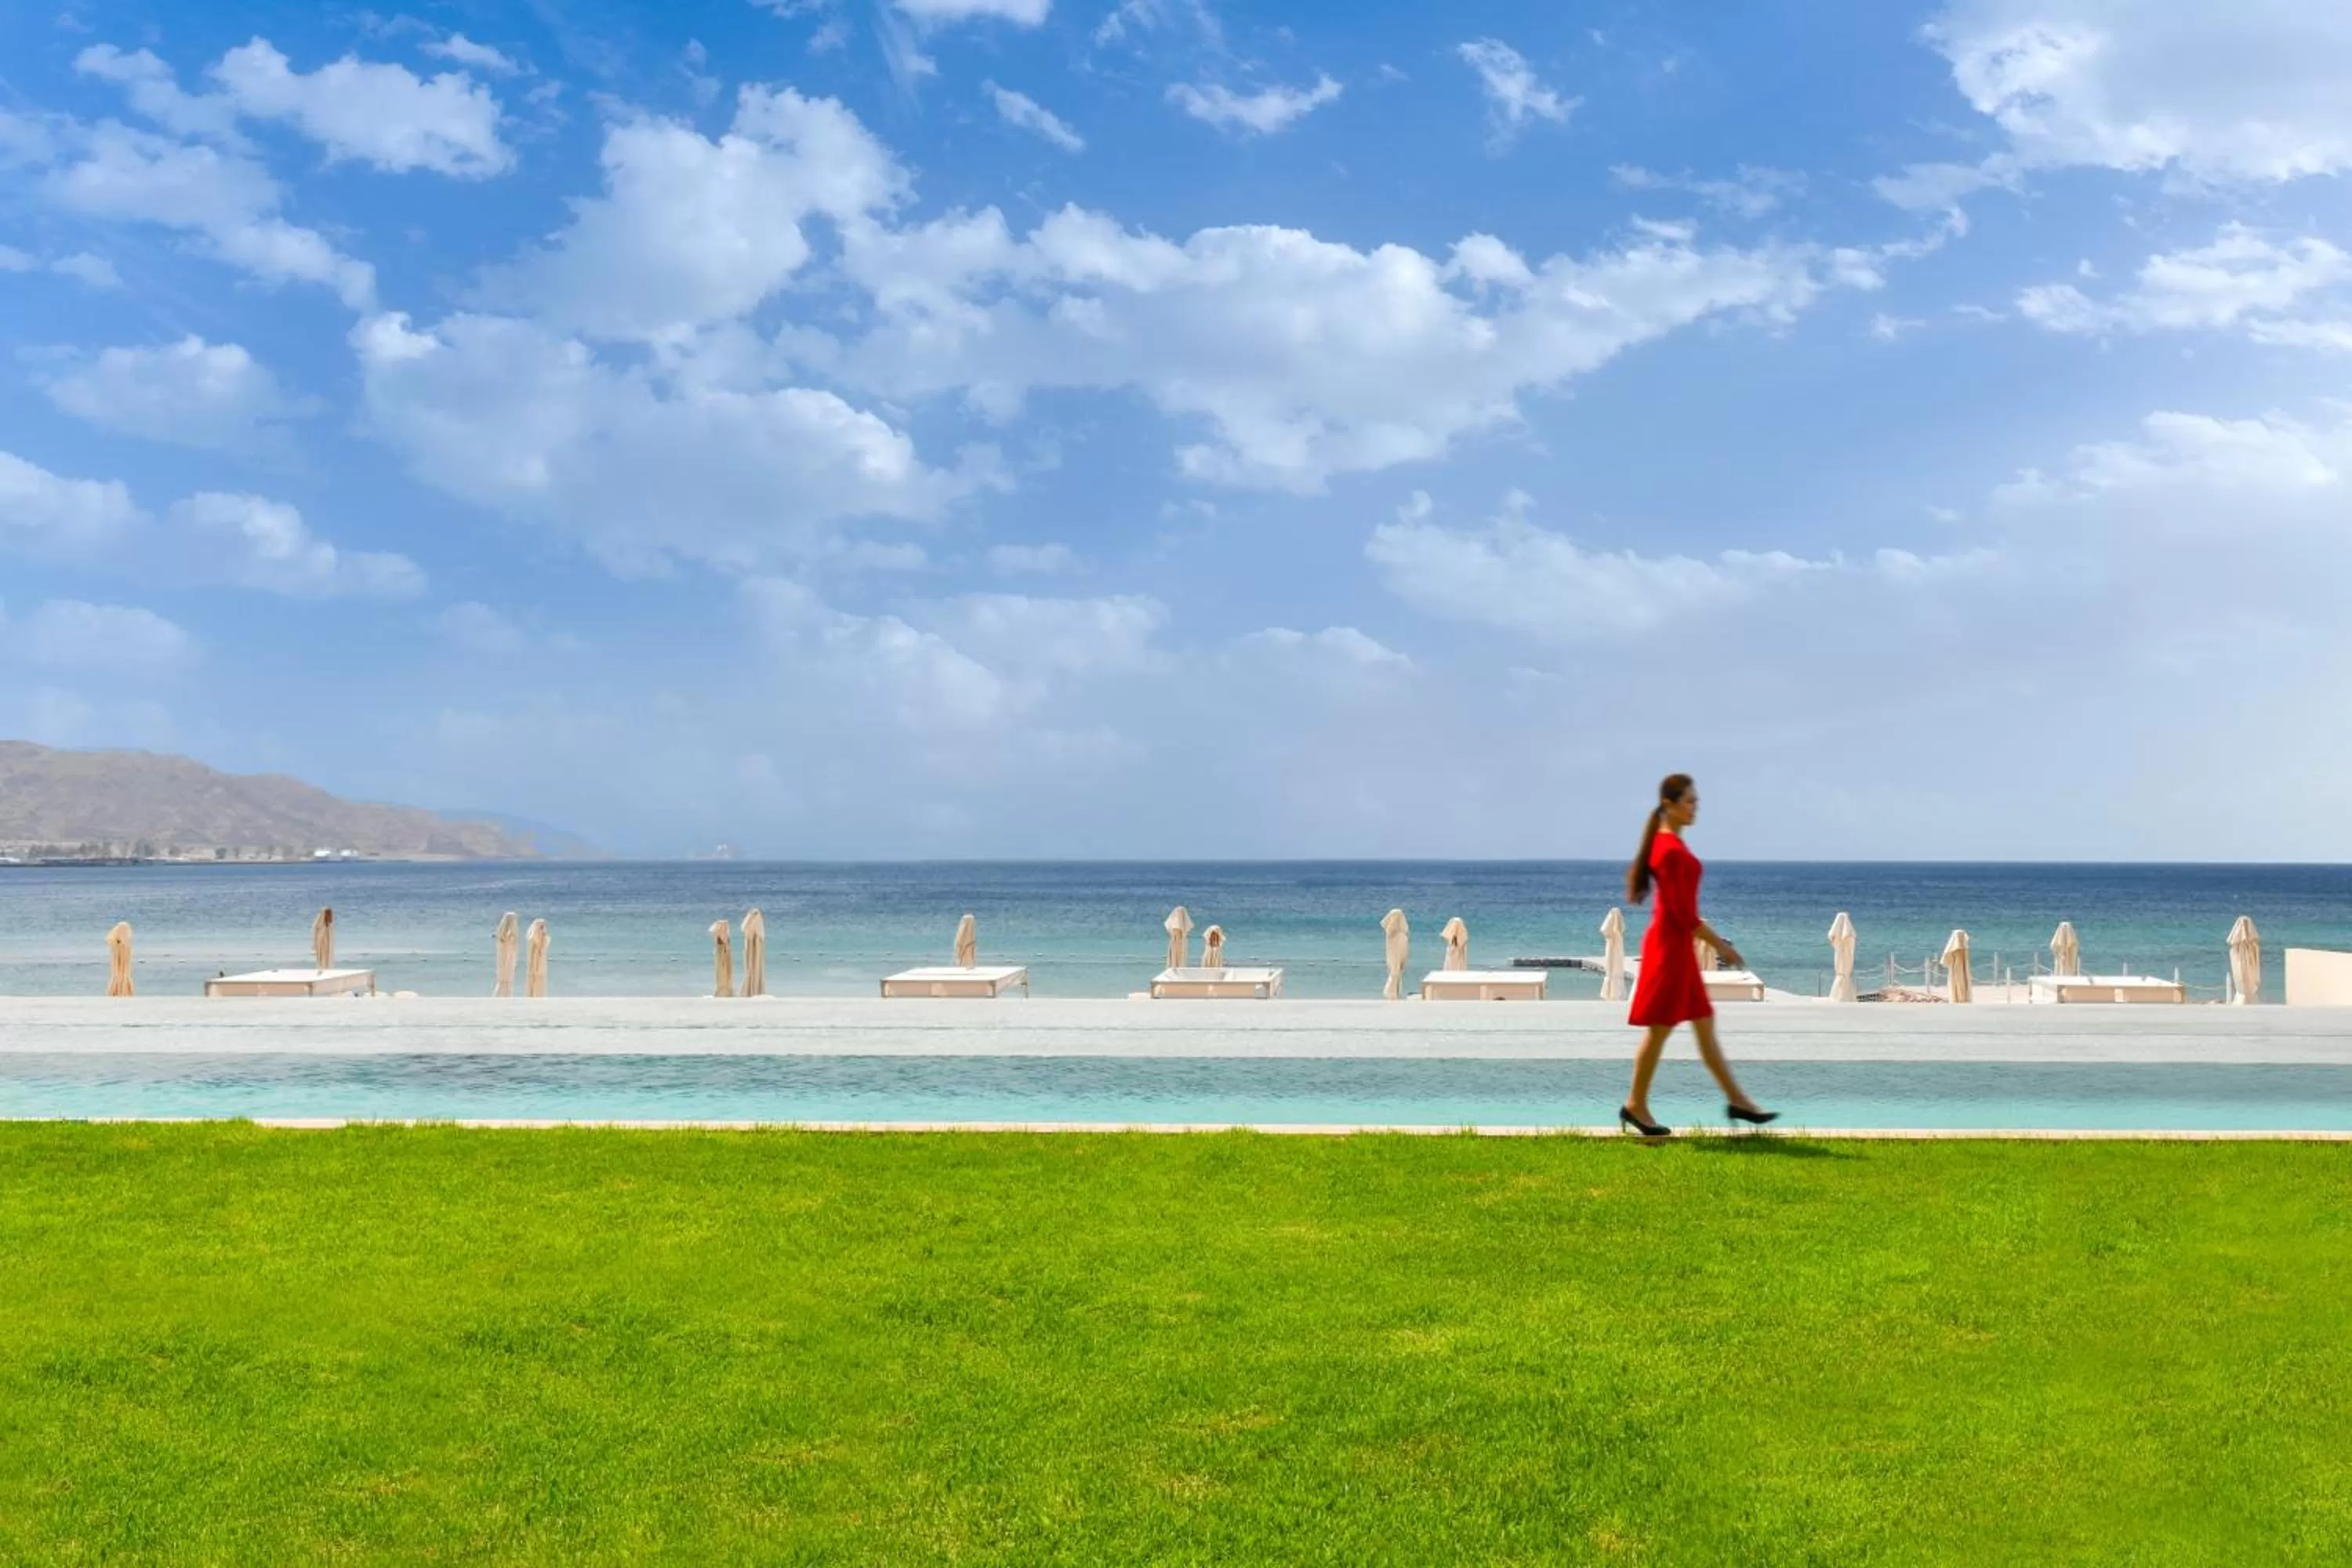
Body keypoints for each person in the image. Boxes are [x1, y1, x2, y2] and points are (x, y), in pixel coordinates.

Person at [1619, 774, 1777, 1137]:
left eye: (1696, 802)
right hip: (1669, 950)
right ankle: (1635, 1105)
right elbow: (1681, 915)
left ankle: (1738, 1101)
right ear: (1670, 804)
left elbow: (1681, 914)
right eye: (1690, 801)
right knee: (1660, 1031)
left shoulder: (1669, 845)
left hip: (1677, 949)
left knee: (1703, 1025)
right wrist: (1721, 945)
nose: (1695, 808)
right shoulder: (1669, 850)